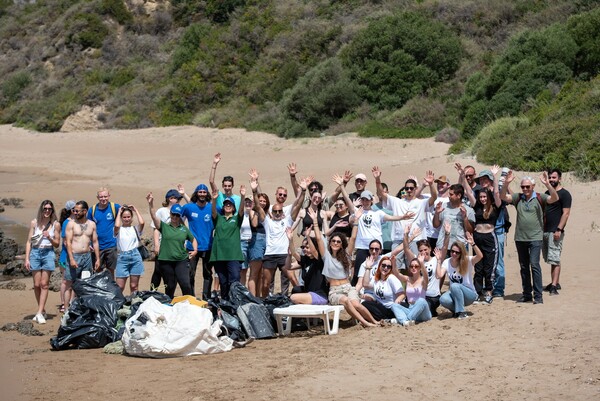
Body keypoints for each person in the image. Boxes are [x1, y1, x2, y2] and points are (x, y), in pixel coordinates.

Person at [310, 207, 379, 327]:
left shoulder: (346, 256)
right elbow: (319, 239)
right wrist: (315, 221)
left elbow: (353, 238)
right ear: (330, 243)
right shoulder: (326, 256)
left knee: (356, 304)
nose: (336, 243)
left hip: (348, 287)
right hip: (334, 291)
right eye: (333, 241)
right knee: (346, 301)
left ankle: (374, 321)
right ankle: (365, 323)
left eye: (338, 242)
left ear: (342, 244)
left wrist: (356, 220)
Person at [500, 171, 558, 304]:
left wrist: (547, 184)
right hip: (520, 238)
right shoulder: (518, 198)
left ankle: (538, 296)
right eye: (523, 187)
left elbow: (554, 198)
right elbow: (503, 196)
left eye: (528, 186)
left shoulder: (540, 197)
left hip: (535, 238)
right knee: (524, 266)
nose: (525, 189)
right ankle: (526, 294)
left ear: (533, 186)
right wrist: (506, 183)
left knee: (535, 265)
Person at [373, 167, 436, 270]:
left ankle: (413, 286)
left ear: (416, 189)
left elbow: (434, 197)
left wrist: (431, 184)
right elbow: (381, 194)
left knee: (415, 267)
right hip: (399, 239)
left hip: (416, 240)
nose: (409, 190)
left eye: (411, 188)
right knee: (393, 266)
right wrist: (377, 179)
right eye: (407, 188)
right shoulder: (397, 201)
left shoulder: (422, 202)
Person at [251, 178, 304, 298]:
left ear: (283, 212)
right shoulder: (267, 222)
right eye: (275, 211)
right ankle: (265, 305)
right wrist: (254, 191)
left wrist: (304, 190)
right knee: (265, 284)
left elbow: (299, 204)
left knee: (293, 279)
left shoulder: (287, 220)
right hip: (270, 255)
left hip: (284, 255)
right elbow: (259, 207)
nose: (278, 213)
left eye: (280, 211)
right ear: (272, 212)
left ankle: (301, 302)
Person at [352, 187, 414, 285]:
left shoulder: (378, 213)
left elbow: (391, 218)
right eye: (363, 200)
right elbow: (350, 221)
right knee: (359, 271)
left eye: (367, 200)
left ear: (371, 200)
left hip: (376, 248)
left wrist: (403, 217)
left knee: (378, 269)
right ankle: (356, 289)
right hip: (362, 247)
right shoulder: (358, 211)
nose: (365, 202)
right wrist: (356, 217)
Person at [464, 166, 502, 304]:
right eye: (481, 197)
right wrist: (463, 176)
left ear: (488, 197)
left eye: (485, 196)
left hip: (490, 238)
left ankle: (488, 292)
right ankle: (477, 293)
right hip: (478, 238)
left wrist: (494, 177)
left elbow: (497, 193)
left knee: (489, 267)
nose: (483, 199)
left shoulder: (495, 206)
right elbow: (468, 192)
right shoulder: (477, 206)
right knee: (478, 267)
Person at [147, 193, 197, 299]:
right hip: (166, 261)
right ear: (170, 214)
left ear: (180, 216)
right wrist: (150, 204)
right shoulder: (164, 226)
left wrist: (195, 250)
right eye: (173, 214)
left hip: (181, 260)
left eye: (177, 215)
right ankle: (168, 305)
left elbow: (193, 239)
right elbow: (154, 217)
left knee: (185, 284)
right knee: (170, 286)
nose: (175, 217)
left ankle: (189, 305)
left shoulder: (184, 229)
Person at [24, 200, 61, 324]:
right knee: (36, 284)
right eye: (45, 208)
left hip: (48, 253)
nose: (47, 211)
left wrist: (49, 237)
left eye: (49, 209)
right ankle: (42, 309)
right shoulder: (34, 223)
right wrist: (27, 258)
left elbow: (57, 244)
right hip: (35, 253)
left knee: (44, 284)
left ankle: (39, 312)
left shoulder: (55, 224)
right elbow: (29, 241)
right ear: (41, 209)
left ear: (52, 210)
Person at [209, 186, 246, 300]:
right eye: (226, 204)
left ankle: (235, 301)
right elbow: (214, 212)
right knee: (223, 281)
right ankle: (225, 302)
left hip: (233, 255)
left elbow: (241, 211)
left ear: (233, 207)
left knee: (234, 278)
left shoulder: (236, 220)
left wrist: (243, 196)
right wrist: (214, 199)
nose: (228, 206)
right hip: (219, 255)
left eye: (230, 204)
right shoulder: (219, 219)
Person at [436, 232, 483, 319]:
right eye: (452, 251)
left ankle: (461, 312)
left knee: (454, 286)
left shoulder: (467, 260)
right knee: (443, 299)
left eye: (457, 252)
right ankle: (458, 310)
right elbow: (439, 275)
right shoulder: (447, 262)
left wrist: (473, 244)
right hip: (455, 293)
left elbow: (480, 256)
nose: (454, 254)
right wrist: (439, 261)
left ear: (461, 253)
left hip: (469, 294)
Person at [65, 201, 100, 313]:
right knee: (69, 284)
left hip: (87, 257)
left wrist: (98, 258)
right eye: (74, 210)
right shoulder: (71, 224)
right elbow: (68, 242)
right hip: (75, 255)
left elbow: (95, 242)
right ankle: (66, 310)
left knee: (85, 283)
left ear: (85, 211)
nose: (75, 212)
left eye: (77, 211)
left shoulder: (92, 224)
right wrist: (71, 259)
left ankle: (82, 308)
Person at [181, 184, 215, 299]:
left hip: (208, 246)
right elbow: (176, 219)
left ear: (207, 194)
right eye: (200, 192)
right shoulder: (189, 207)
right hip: (192, 247)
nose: (202, 194)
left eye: (204, 192)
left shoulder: (212, 207)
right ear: (196, 193)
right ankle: (191, 297)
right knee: (190, 274)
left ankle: (206, 297)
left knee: (207, 274)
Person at [543, 169, 572, 296]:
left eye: (554, 177)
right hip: (545, 230)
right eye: (550, 177)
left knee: (555, 258)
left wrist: (559, 229)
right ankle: (555, 282)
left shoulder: (565, 194)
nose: (551, 180)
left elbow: (566, 213)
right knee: (550, 258)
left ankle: (554, 286)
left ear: (559, 178)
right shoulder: (546, 193)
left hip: (556, 231)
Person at [150, 188, 184, 292]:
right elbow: (156, 229)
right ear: (170, 199)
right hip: (162, 245)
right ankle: (152, 293)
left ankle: (168, 296)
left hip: (174, 247)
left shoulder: (180, 210)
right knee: (158, 271)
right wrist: (156, 245)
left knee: (171, 274)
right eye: (177, 199)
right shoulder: (162, 211)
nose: (178, 201)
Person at [360, 256, 406, 324]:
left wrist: (396, 303)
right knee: (364, 304)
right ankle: (388, 320)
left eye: (388, 266)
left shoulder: (391, 278)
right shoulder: (376, 279)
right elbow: (365, 284)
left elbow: (402, 294)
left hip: (392, 308)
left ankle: (386, 319)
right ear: (379, 266)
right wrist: (368, 268)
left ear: (391, 269)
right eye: (383, 265)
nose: (385, 268)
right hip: (382, 308)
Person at [287, 230, 328, 305]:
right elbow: (294, 253)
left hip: (319, 295)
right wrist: (290, 240)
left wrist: (308, 237)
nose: (304, 249)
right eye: (303, 247)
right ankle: (299, 316)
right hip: (308, 294)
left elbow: (314, 251)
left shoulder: (319, 260)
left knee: (293, 298)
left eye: (307, 247)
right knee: (296, 289)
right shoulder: (305, 260)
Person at [390, 255, 432, 325]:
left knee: (421, 301)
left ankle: (403, 320)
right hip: (410, 308)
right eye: (411, 266)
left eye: (416, 266)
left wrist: (421, 263)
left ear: (420, 268)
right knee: (394, 305)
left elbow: (426, 276)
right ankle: (405, 321)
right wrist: (393, 263)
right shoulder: (407, 279)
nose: (413, 268)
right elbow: (396, 274)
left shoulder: (423, 281)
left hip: (423, 312)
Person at [87, 187, 121, 276]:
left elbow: (126, 215)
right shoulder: (92, 210)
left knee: (111, 271)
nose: (103, 199)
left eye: (105, 196)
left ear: (109, 196)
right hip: (97, 246)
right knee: (97, 270)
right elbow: (88, 228)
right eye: (101, 197)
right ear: (97, 197)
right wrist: (89, 243)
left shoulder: (115, 207)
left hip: (111, 245)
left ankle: (110, 289)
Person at [433, 183, 475, 251]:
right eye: (449, 194)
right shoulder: (443, 206)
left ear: (459, 196)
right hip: (442, 246)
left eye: (451, 194)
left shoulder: (468, 210)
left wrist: (465, 217)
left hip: (459, 248)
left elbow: (470, 230)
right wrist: (437, 213)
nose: (449, 196)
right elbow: (435, 225)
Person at [113, 205, 145, 294]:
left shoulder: (135, 228)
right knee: (120, 286)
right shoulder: (118, 229)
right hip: (122, 257)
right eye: (124, 217)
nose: (126, 219)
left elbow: (142, 223)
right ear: (121, 218)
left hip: (135, 256)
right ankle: (118, 304)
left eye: (128, 217)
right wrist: (119, 212)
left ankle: (133, 303)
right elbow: (116, 225)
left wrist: (136, 210)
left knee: (134, 286)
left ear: (131, 218)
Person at [58, 200, 76, 313]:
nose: (76, 210)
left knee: (74, 281)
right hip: (66, 256)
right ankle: (63, 304)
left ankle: (72, 302)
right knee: (65, 281)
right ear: (70, 210)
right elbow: (65, 241)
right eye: (74, 208)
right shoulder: (66, 222)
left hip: (76, 256)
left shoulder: (78, 221)